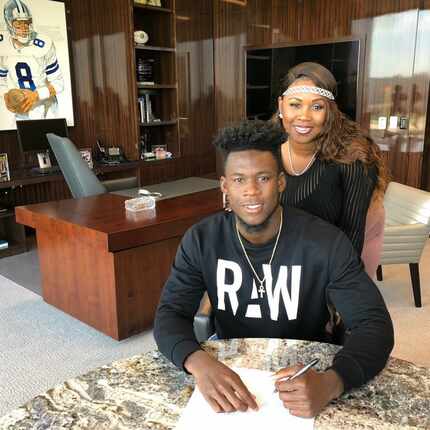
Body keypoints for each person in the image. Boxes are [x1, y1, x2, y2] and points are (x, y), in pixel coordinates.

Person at [154, 120, 394, 418]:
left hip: (305, 367)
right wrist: (197, 361)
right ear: (224, 186)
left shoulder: (325, 242)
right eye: (239, 180)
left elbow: (375, 325)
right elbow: (169, 314)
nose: (252, 192)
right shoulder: (202, 239)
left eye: (263, 178)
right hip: (231, 364)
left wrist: (331, 382)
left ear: (280, 182)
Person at [276, 62, 388, 278]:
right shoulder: (264, 151)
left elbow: (353, 233)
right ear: (281, 106)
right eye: (295, 105)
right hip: (280, 265)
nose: (304, 116)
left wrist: (338, 288)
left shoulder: (353, 156)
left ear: (329, 112)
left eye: (317, 107)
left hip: (331, 262)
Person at [0, 0, 64, 120]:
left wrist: (36, 95)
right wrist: (5, 95)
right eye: (18, 24)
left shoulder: (43, 45)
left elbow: (58, 83)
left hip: (46, 107)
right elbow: (1, 78)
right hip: (21, 110)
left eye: (27, 22)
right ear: (9, 24)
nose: (24, 28)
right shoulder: (3, 46)